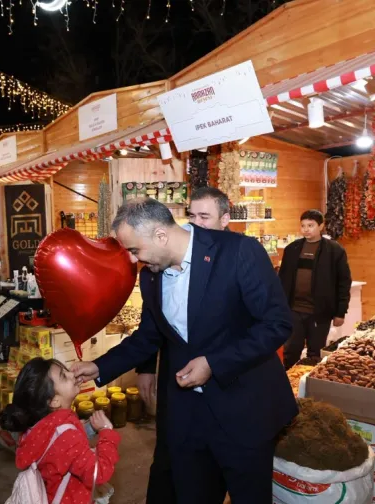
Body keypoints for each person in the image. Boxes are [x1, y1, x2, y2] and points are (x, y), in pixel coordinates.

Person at [72, 198, 296, 504]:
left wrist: (214, 364)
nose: (135, 259)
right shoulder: (150, 276)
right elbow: (148, 337)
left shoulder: (238, 252)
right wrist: (100, 367)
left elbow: (276, 324)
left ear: (161, 235)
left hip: (244, 409)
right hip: (187, 416)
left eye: (136, 250)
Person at [135, 186, 232, 504]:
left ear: (225, 220)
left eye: (205, 216)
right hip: (175, 383)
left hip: (223, 390)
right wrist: (146, 366)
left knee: (209, 471)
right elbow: (152, 323)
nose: (195, 223)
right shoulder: (164, 264)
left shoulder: (236, 263)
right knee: (167, 461)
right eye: (192, 215)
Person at [0, 358, 120, 504]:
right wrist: (107, 433)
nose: (71, 374)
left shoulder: (38, 426)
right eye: (63, 376)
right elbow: (98, 473)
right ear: (54, 401)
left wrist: (88, 428)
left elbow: (59, 446)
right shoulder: (67, 437)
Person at [278, 210, 352, 369]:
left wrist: (340, 312)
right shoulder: (292, 249)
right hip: (294, 310)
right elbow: (282, 279)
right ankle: (289, 385)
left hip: (320, 312)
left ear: (321, 226)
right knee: (291, 351)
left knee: (315, 353)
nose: (306, 229)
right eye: (303, 225)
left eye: (310, 225)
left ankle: (308, 387)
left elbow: (343, 282)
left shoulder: (334, 250)